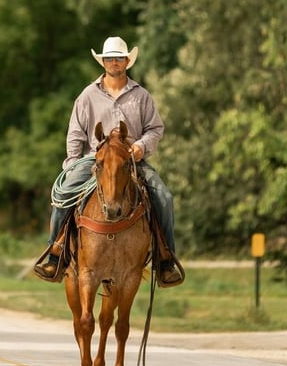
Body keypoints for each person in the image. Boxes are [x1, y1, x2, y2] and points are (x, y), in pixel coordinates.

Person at [34, 36, 183, 286]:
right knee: (63, 194)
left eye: (119, 58)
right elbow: (75, 133)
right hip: (96, 160)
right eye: (110, 58)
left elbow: (155, 128)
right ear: (103, 62)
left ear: (127, 61)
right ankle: (55, 251)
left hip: (131, 161)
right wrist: (72, 164)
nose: (115, 62)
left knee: (164, 197)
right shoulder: (87, 95)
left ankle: (165, 258)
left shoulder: (142, 96)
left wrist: (140, 146)